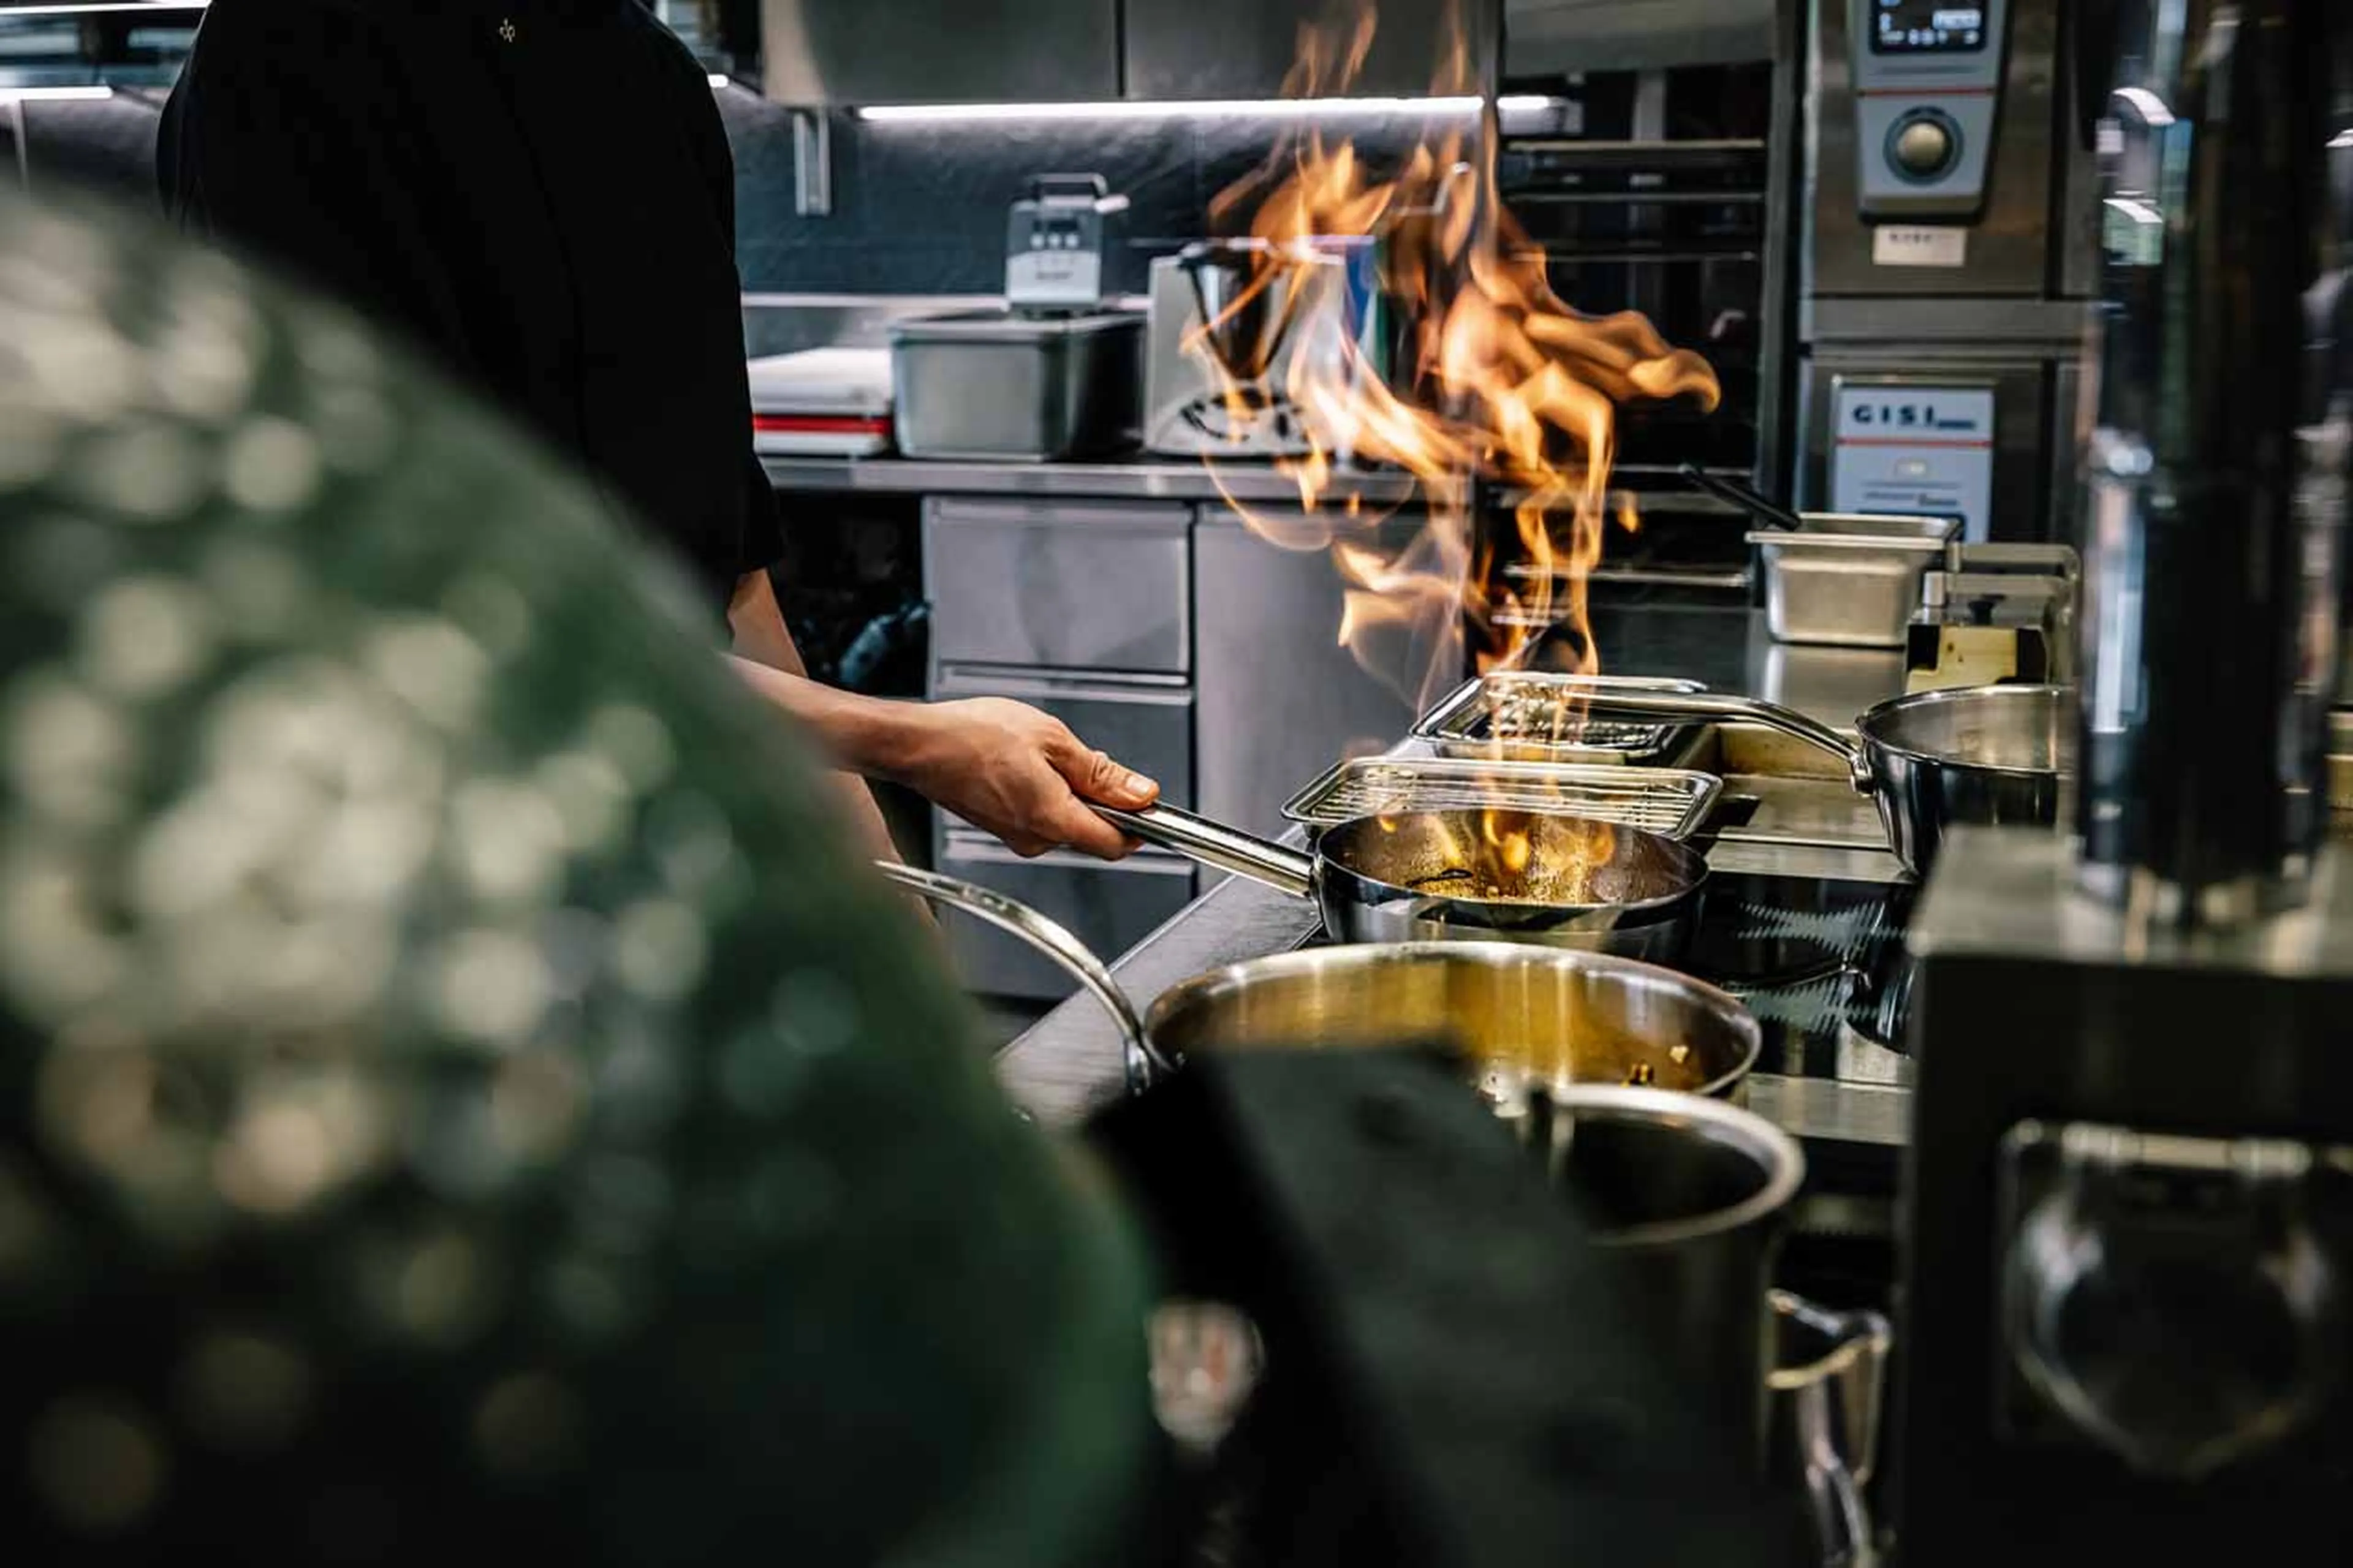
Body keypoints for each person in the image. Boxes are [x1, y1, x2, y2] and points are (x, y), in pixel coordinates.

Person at [155, 0, 1158, 862]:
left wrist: (895, 911)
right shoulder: (287, 63)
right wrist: (912, 743)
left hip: (660, 852)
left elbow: (729, 574)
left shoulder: (649, 78)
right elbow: (413, 614)